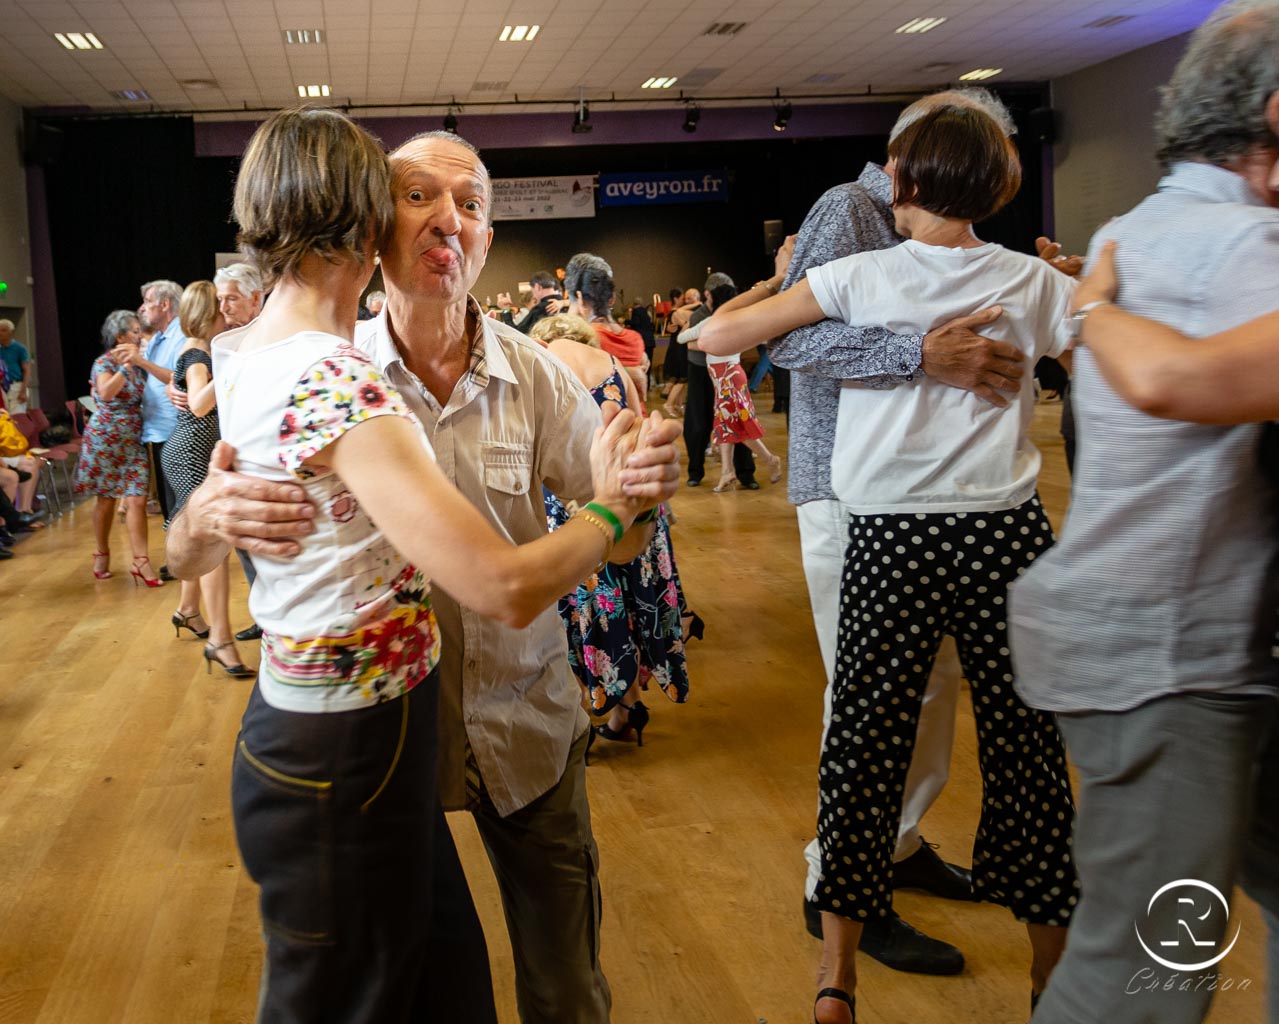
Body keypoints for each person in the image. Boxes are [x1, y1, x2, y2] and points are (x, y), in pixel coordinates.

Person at [165, 106, 674, 1024]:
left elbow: (626, 535)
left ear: (488, 235)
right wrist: (203, 514)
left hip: (520, 721)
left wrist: (637, 495)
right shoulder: (319, 371)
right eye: (419, 196)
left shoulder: (540, 376)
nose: (449, 218)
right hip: (383, 740)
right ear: (372, 223)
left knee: (536, 986)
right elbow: (187, 552)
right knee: (373, 985)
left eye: (471, 202)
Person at [701, 103, 1081, 1024]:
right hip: (1003, 532)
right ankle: (1051, 978)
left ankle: (836, 978)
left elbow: (717, 340)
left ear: (903, 179)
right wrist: (1079, 288)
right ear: (1001, 186)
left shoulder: (863, 268)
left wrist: (767, 287)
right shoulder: (1028, 281)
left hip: (890, 533)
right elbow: (1115, 356)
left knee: (864, 745)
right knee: (1028, 753)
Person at [1007, 7, 1279, 1020]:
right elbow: (1180, 383)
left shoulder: (1130, 228)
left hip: (1171, 645)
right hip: (1177, 661)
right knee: (1145, 975)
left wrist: (1087, 305)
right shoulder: (1256, 247)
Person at [530, 311, 692, 746]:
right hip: (629, 502)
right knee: (622, 606)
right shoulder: (613, 365)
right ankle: (628, 709)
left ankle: (585, 716)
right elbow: (640, 433)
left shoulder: (541, 359)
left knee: (581, 616)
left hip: (575, 506)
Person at [160, 280, 252, 678]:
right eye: (221, 304)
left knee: (201, 534)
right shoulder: (199, 351)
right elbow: (199, 404)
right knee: (213, 543)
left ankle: (188, 611)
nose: (226, 310)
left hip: (189, 448)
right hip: (193, 450)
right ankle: (220, 641)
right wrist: (237, 363)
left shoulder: (197, 349)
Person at [75, 310, 163, 587]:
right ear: (119, 337)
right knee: (106, 500)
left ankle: (141, 561)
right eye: (135, 331)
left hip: (133, 439)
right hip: (105, 440)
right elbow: (105, 393)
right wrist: (125, 368)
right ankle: (101, 552)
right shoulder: (104, 363)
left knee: (137, 498)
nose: (140, 335)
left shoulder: (141, 364)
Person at [679, 283, 783, 492]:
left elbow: (682, 338)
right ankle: (727, 471)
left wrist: (700, 338)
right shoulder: (740, 321)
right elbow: (762, 339)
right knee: (725, 424)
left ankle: (770, 459)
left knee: (739, 424)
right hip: (726, 378)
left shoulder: (711, 322)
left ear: (713, 300)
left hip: (728, 378)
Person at [211, 261, 267, 641]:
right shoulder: (233, 340)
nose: (224, 307)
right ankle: (264, 616)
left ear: (256, 298)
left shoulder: (269, 336)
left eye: (231, 299)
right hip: (236, 456)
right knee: (244, 544)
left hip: (264, 457)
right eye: (220, 300)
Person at [565, 253, 650, 405]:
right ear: (611, 297)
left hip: (602, 423)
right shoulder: (634, 338)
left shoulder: (575, 339)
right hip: (634, 422)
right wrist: (625, 371)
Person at [136, 280, 187, 530]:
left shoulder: (182, 335)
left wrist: (141, 362)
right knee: (168, 505)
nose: (142, 308)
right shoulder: (157, 338)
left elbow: (180, 376)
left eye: (147, 301)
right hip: (158, 428)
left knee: (180, 502)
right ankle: (176, 560)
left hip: (176, 428)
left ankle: (187, 564)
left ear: (164, 304)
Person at [661, 287, 699, 417]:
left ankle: (678, 404)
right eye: (683, 298)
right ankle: (670, 404)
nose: (685, 301)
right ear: (676, 299)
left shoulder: (676, 312)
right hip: (679, 347)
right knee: (682, 378)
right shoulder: (676, 312)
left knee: (681, 377)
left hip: (679, 346)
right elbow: (685, 327)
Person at [497, 270, 560, 334]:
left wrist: (506, 309)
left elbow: (516, 333)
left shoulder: (539, 310)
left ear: (538, 287)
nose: (534, 295)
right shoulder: (566, 304)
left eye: (533, 290)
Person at [0, 320, 30, 413]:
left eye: (3, 330)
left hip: (17, 386)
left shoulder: (20, 348)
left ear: (11, 332)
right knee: (4, 418)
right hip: (2, 387)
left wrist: (23, 390)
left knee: (17, 417)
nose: (0, 333)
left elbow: (26, 370)